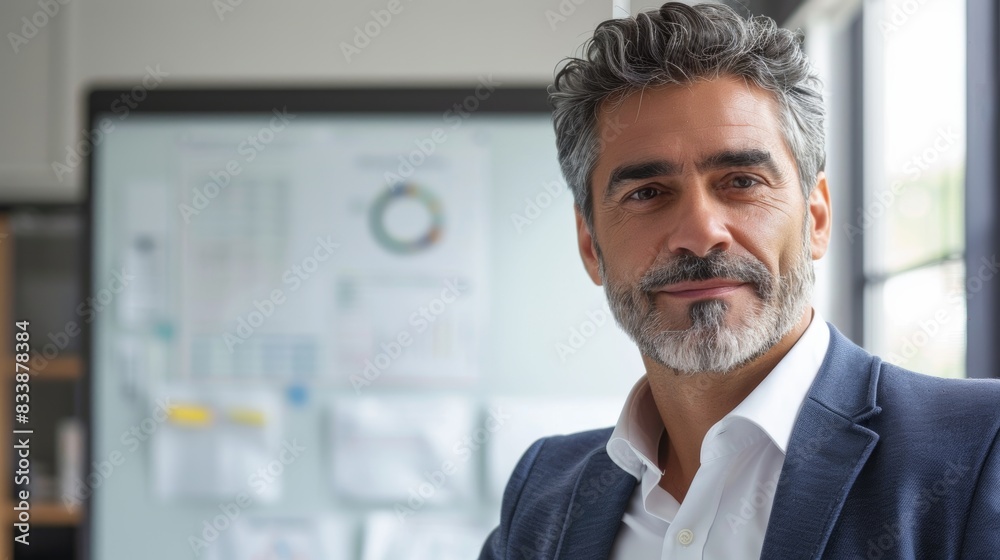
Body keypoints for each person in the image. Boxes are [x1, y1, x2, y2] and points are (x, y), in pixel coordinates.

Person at [478, 3, 1000, 559]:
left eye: (742, 181)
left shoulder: (982, 449)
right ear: (590, 245)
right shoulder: (542, 493)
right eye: (647, 192)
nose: (701, 235)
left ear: (816, 218)